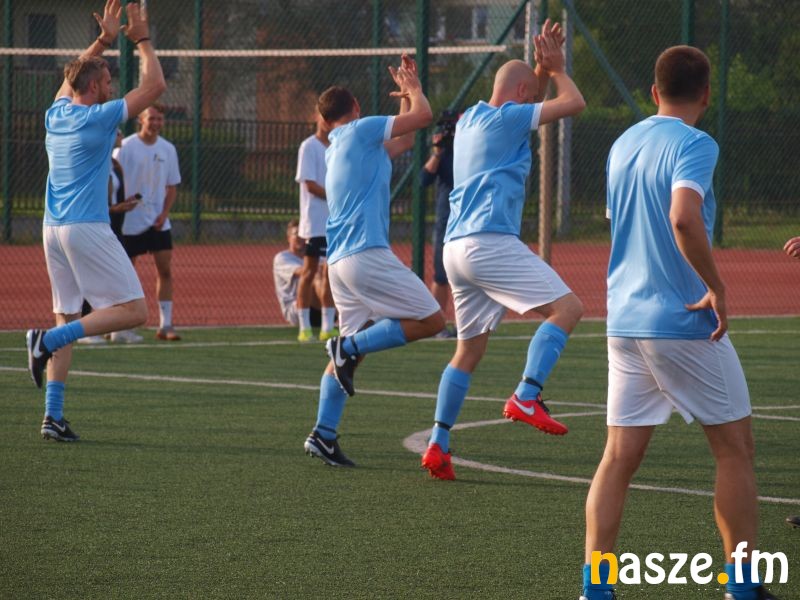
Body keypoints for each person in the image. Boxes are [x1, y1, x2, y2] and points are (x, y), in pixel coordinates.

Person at [580, 46, 779, 600]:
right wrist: (717, 286)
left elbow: (622, 225)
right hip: (682, 320)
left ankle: (596, 589)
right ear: (707, 94)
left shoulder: (623, 143)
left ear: (653, 91)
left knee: (617, 458)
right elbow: (683, 217)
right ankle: (742, 586)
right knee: (735, 449)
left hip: (624, 322)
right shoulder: (696, 143)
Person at [420, 20, 585, 480]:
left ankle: (438, 442)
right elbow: (574, 103)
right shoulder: (509, 117)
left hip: (456, 249)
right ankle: (527, 395)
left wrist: (540, 69)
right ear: (520, 94)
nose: (533, 103)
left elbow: (526, 93)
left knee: (467, 352)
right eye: (530, 94)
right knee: (568, 309)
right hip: (488, 242)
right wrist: (559, 68)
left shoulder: (471, 118)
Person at [25, 0, 166, 442]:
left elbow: (71, 80)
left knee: (67, 315)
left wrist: (104, 41)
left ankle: (52, 416)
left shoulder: (56, 113)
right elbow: (156, 85)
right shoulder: (98, 116)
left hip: (52, 230)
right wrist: (142, 39)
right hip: (86, 227)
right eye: (106, 80)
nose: (111, 85)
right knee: (136, 311)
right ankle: (45, 341)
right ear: (92, 86)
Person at [303, 54, 445, 467]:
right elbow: (425, 117)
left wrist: (407, 97)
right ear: (357, 108)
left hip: (342, 263)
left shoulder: (340, 145)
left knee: (348, 357)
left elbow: (404, 139)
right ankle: (346, 346)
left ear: (324, 120)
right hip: (365, 254)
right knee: (432, 320)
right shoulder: (360, 129)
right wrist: (415, 89)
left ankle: (323, 434)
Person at [115, 102, 182, 341]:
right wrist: (119, 207)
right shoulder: (125, 147)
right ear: (140, 120)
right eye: (151, 118)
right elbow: (112, 178)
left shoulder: (168, 149)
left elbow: (172, 186)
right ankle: (119, 326)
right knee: (126, 275)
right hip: (129, 223)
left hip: (158, 222)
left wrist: (163, 214)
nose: (155, 123)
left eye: (159, 119)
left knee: (165, 270)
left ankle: (166, 325)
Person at [78, 128, 142, 345]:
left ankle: (118, 328)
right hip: (96, 228)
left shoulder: (115, 164)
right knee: (93, 277)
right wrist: (115, 209)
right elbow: (91, 202)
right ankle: (86, 327)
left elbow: (114, 198)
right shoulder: (94, 162)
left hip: (115, 228)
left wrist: (124, 204)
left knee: (119, 276)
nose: (121, 136)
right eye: (117, 132)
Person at [294, 112, 337, 342]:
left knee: (330, 273)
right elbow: (309, 185)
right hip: (315, 222)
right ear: (316, 118)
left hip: (334, 222)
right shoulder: (308, 146)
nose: (328, 121)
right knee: (309, 272)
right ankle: (304, 327)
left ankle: (327, 327)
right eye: (324, 116)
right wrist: (336, 196)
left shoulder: (337, 147)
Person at [420, 110, 458, 338]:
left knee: (467, 276)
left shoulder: (470, 148)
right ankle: (438, 326)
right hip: (446, 221)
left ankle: (466, 326)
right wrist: (436, 152)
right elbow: (423, 179)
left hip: (468, 220)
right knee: (441, 276)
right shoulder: (442, 153)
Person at [273, 219, 326, 329]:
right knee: (314, 276)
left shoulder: (316, 257)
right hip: (296, 310)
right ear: (288, 238)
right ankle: (334, 315)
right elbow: (305, 272)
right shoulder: (282, 258)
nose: (300, 237)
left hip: (319, 308)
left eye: (302, 234)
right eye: (296, 234)